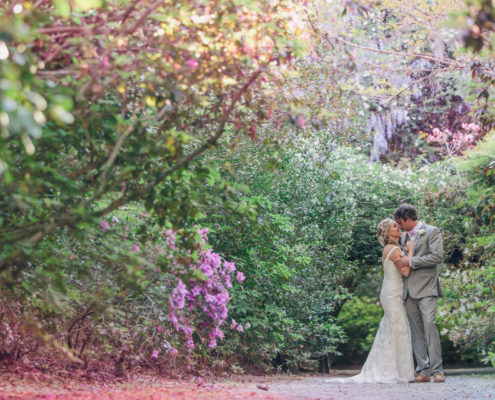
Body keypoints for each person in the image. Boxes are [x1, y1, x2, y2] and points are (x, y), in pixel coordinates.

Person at [329, 218, 415, 384]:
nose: (399, 227)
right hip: (392, 293)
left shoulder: (391, 248)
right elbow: (405, 272)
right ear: (388, 233)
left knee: (393, 328)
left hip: (392, 291)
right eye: (394, 226)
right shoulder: (393, 249)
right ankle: (390, 370)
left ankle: (394, 368)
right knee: (397, 328)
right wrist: (410, 251)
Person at [394, 204, 445, 383]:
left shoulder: (431, 231)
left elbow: (437, 257)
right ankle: (422, 370)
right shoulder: (403, 237)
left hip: (427, 288)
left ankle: (438, 371)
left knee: (430, 325)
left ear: (408, 218)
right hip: (408, 290)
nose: (399, 227)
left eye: (400, 222)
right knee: (415, 332)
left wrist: (411, 260)